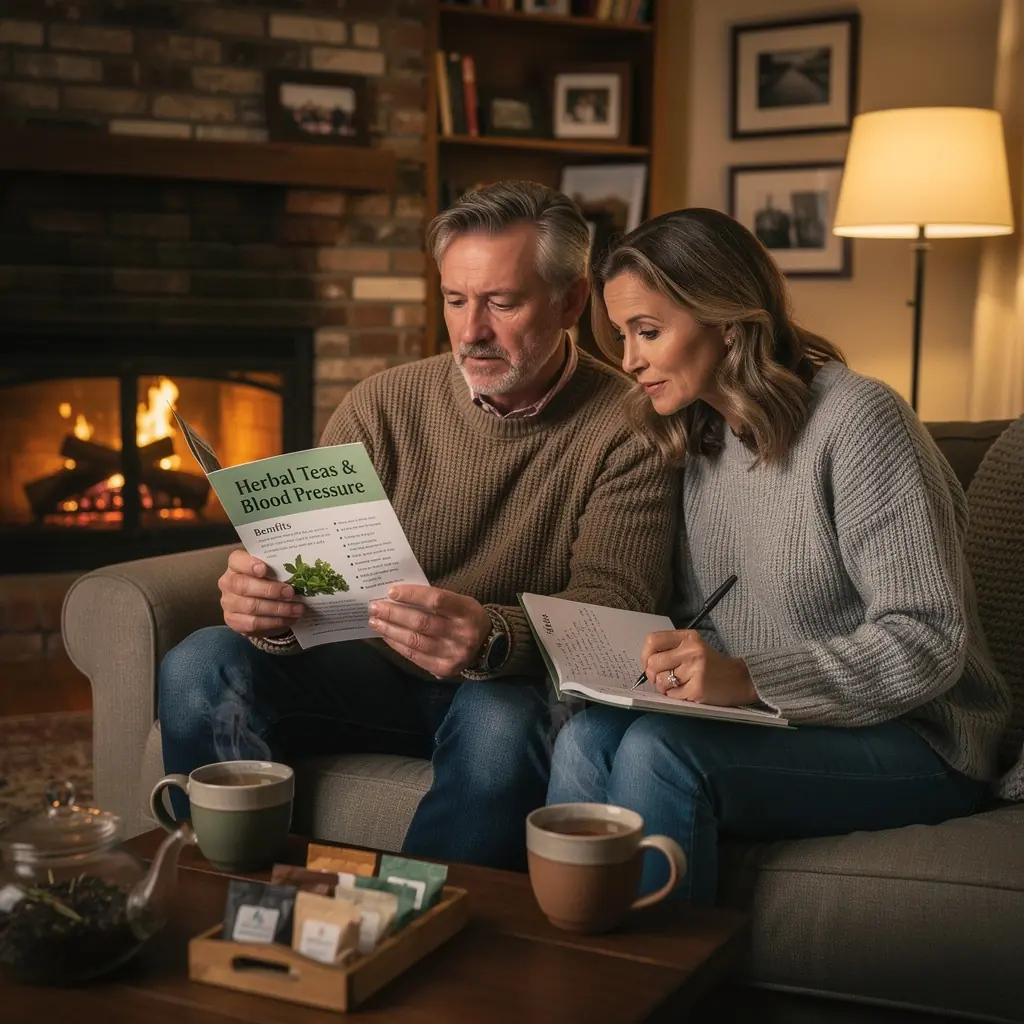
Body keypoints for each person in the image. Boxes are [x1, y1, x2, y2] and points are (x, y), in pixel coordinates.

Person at [157, 181, 677, 871]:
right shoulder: (383, 404)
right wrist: (271, 611)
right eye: (456, 300)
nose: (472, 331)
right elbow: (312, 578)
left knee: (500, 727)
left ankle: (402, 927)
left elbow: (618, 612)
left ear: (573, 300)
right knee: (199, 662)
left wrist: (493, 637)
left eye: (502, 302)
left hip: (504, 686)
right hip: (368, 674)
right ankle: (236, 906)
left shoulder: (628, 425)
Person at [546, 207, 1012, 904]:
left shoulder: (858, 422)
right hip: (777, 722)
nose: (629, 359)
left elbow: (928, 640)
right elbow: (711, 617)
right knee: (587, 740)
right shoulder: (699, 435)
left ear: (727, 321)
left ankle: (654, 987)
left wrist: (749, 677)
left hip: (921, 738)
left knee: (660, 753)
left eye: (648, 331)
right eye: (621, 335)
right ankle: (579, 970)